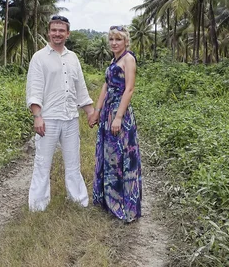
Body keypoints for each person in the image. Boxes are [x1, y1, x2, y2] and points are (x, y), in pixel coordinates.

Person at [26, 15, 96, 212]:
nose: (57, 34)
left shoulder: (72, 58)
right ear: (49, 32)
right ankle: (38, 205)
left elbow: (80, 88)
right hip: (48, 118)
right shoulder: (39, 58)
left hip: (71, 118)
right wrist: (37, 116)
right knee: (42, 162)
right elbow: (34, 89)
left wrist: (90, 112)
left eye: (61, 30)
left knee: (73, 162)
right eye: (54, 30)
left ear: (68, 33)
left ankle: (78, 200)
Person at [88, 25, 142, 222]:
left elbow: (129, 90)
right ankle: (109, 200)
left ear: (126, 41)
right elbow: (105, 86)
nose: (114, 43)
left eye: (118, 39)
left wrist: (118, 117)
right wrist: (97, 110)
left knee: (121, 157)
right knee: (109, 155)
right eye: (111, 39)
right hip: (108, 112)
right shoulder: (114, 60)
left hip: (120, 113)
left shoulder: (128, 59)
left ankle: (123, 203)